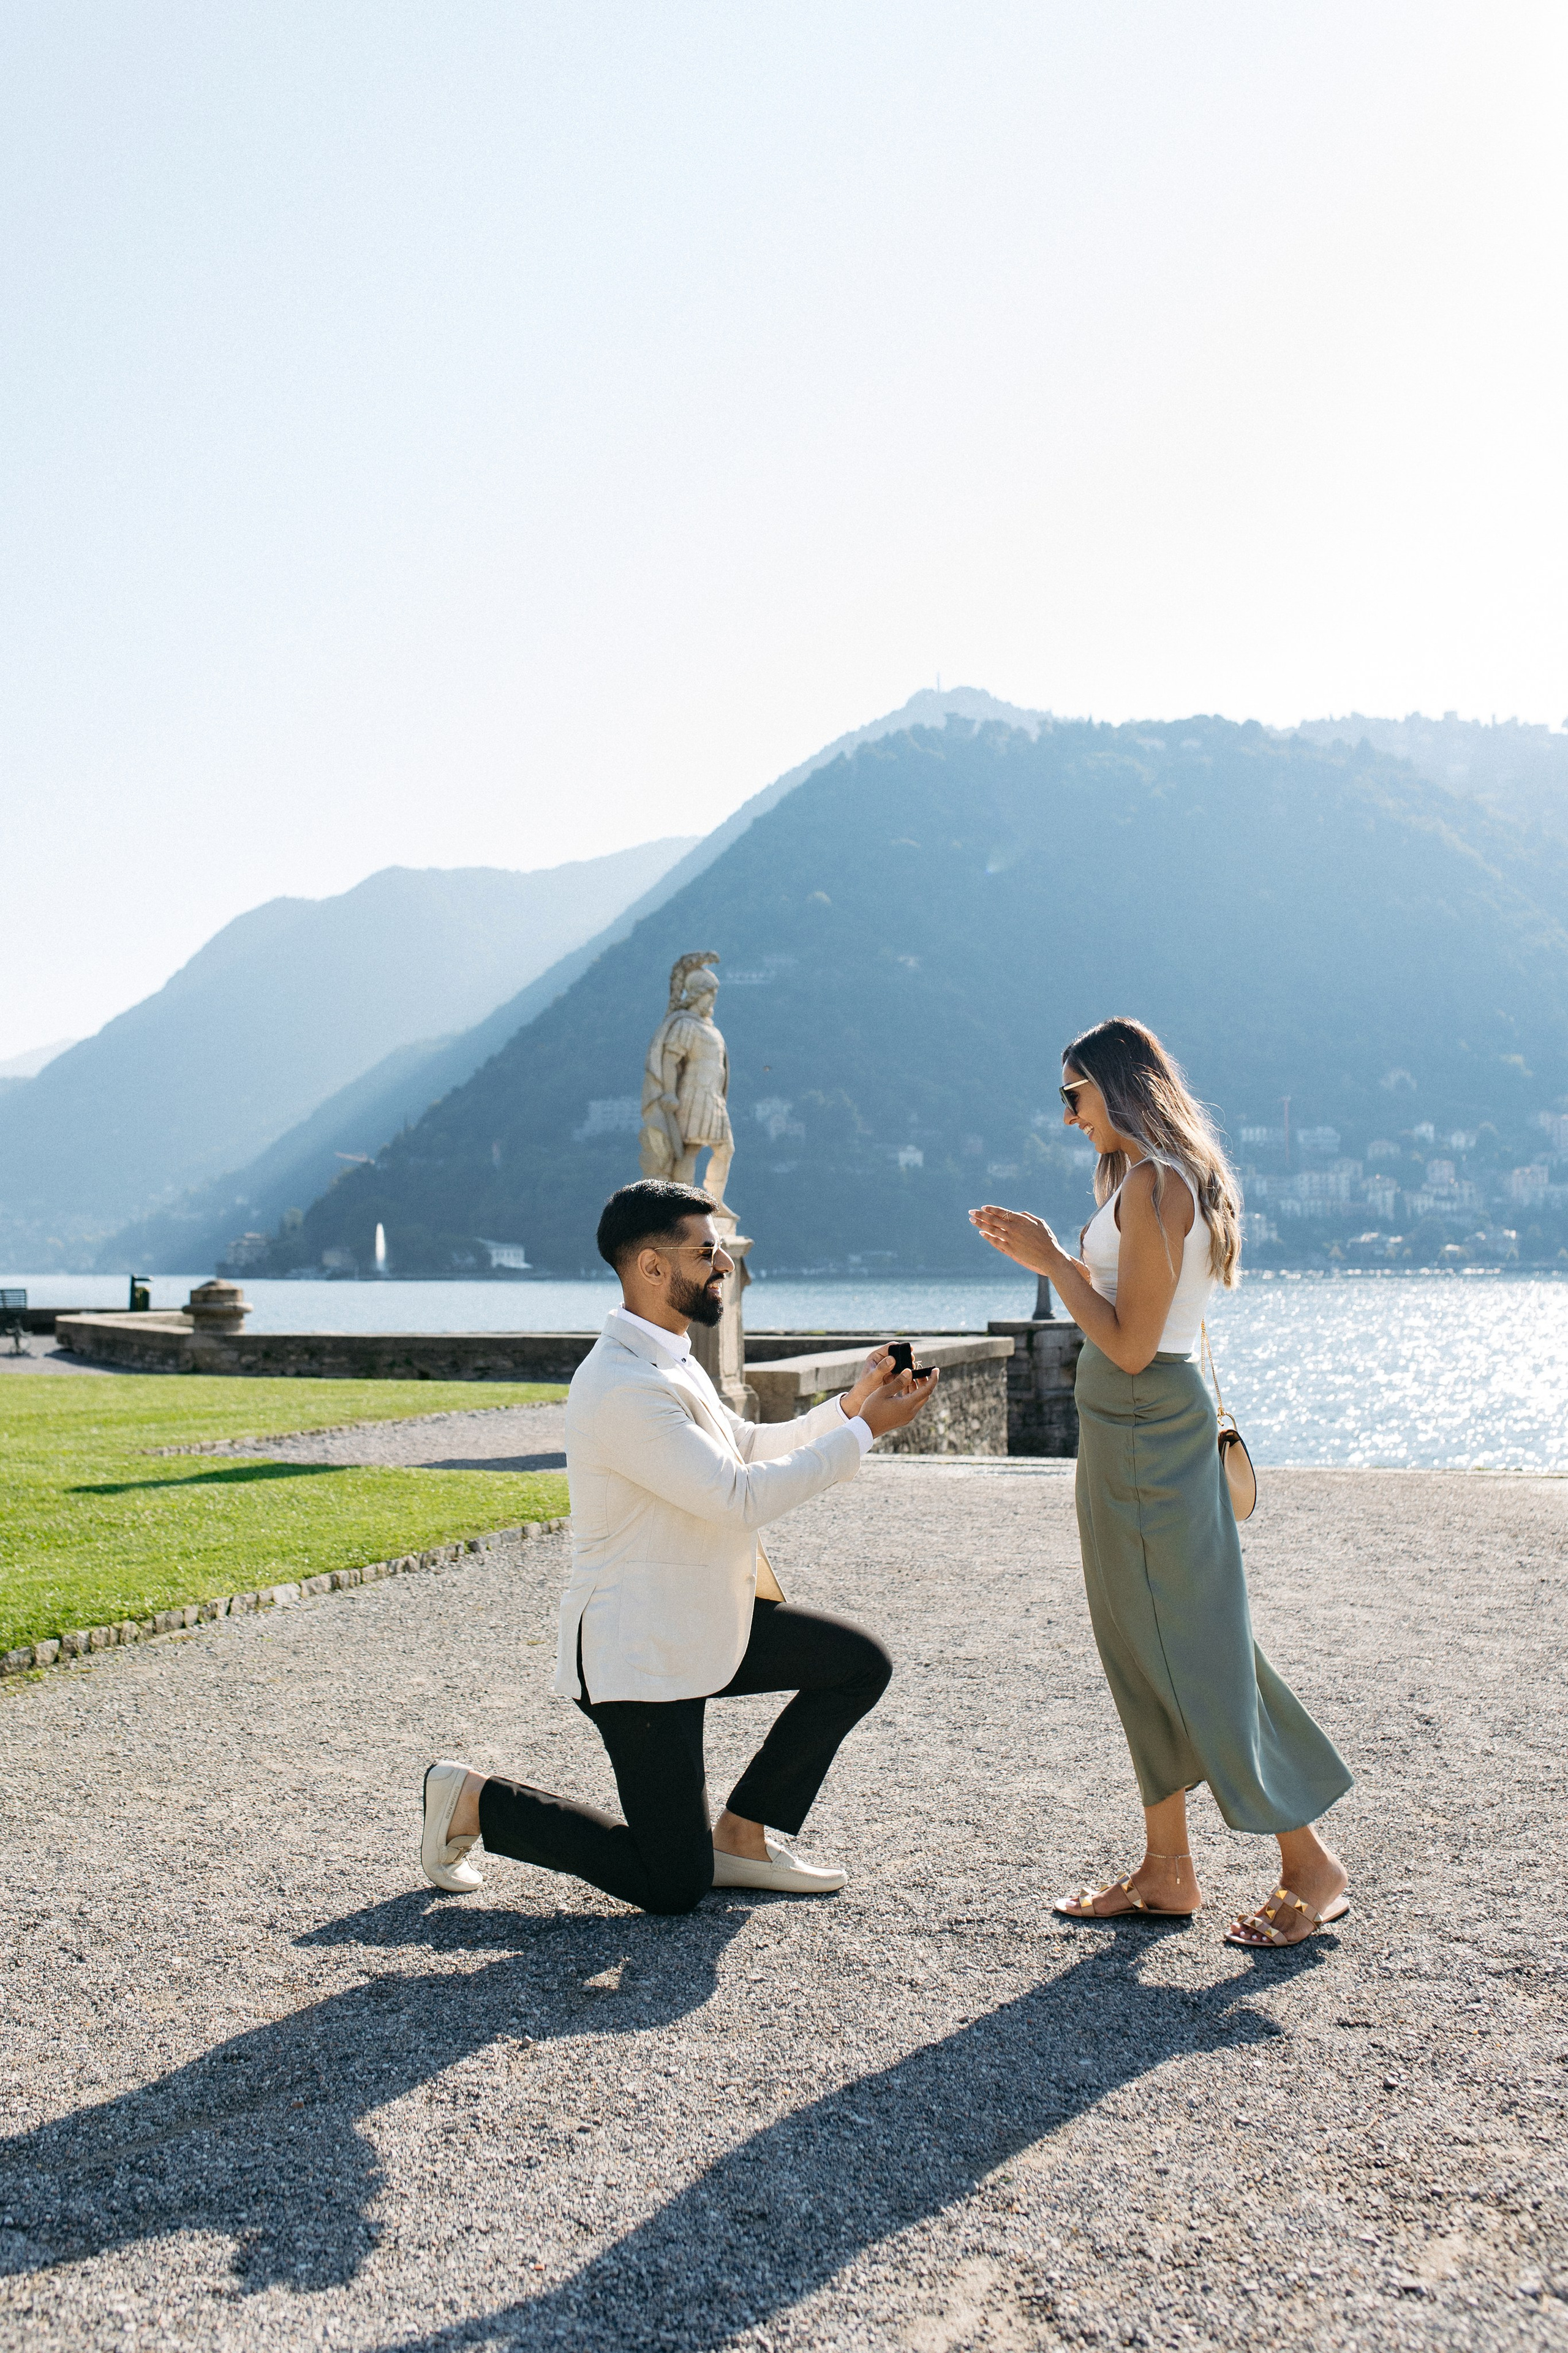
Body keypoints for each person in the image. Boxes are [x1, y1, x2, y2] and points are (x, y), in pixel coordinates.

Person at [419, 1179, 937, 1914]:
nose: (724, 1263)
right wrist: (865, 1431)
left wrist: (852, 1406)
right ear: (652, 1267)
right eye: (706, 1251)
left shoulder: (671, 1357)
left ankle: (742, 1836)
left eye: (719, 1249)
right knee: (672, 1885)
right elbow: (737, 1496)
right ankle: (473, 1799)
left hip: (696, 1618)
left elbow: (743, 1447)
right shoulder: (621, 1384)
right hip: (638, 1649)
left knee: (857, 1664)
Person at [970, 1018, 1353, 1950]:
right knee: (1138, 1644)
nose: (1068, 1117)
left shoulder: (1154, 1184)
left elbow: (1134, 1345)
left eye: (1073, 1095)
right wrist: (1059, 1258)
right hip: (1123, 1428)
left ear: (1117, 1084)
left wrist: (1052, 1261)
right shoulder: (1141, 1179)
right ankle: (1166, 1867)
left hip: (1144, 1421)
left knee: (1197, 1645)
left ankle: (1309, 1862)